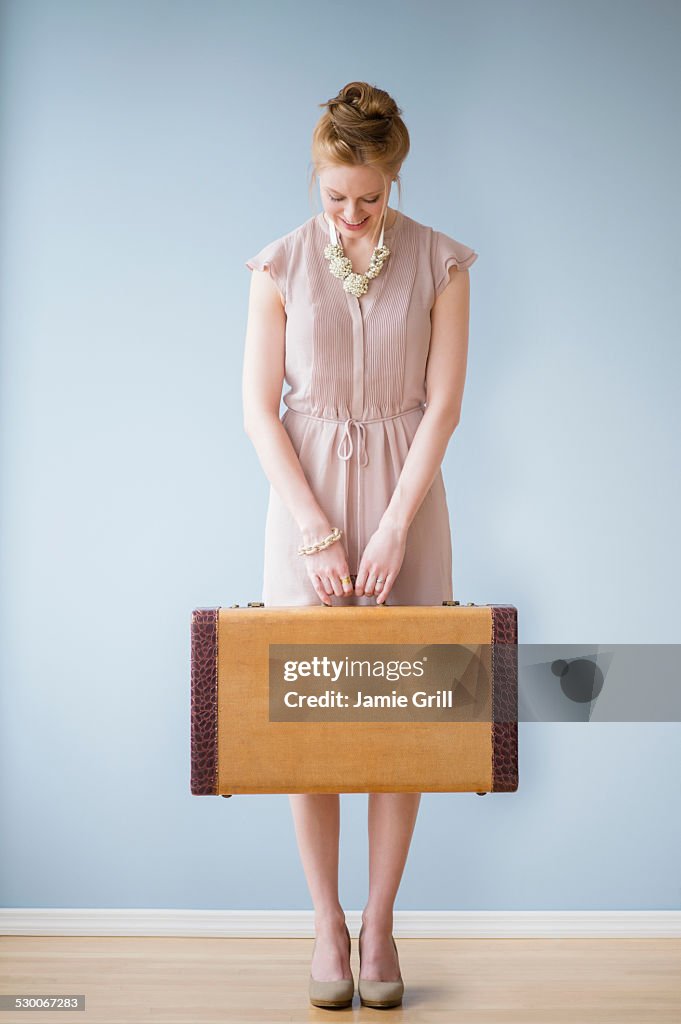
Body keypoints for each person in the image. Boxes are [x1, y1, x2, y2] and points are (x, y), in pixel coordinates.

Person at [242, 81, 477, 1010]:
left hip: (406, 497)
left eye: (368, 199)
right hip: (303, 500)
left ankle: (379, 922)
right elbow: (260, 411)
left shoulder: (442, 264)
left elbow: (444, 404)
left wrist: (393, 524)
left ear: (395, 181)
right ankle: (324, 924)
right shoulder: (277, 267)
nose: (349, 216)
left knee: (402, 716)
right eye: (334, 196)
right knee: (308, 720)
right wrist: (312, 524)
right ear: (316, 178)